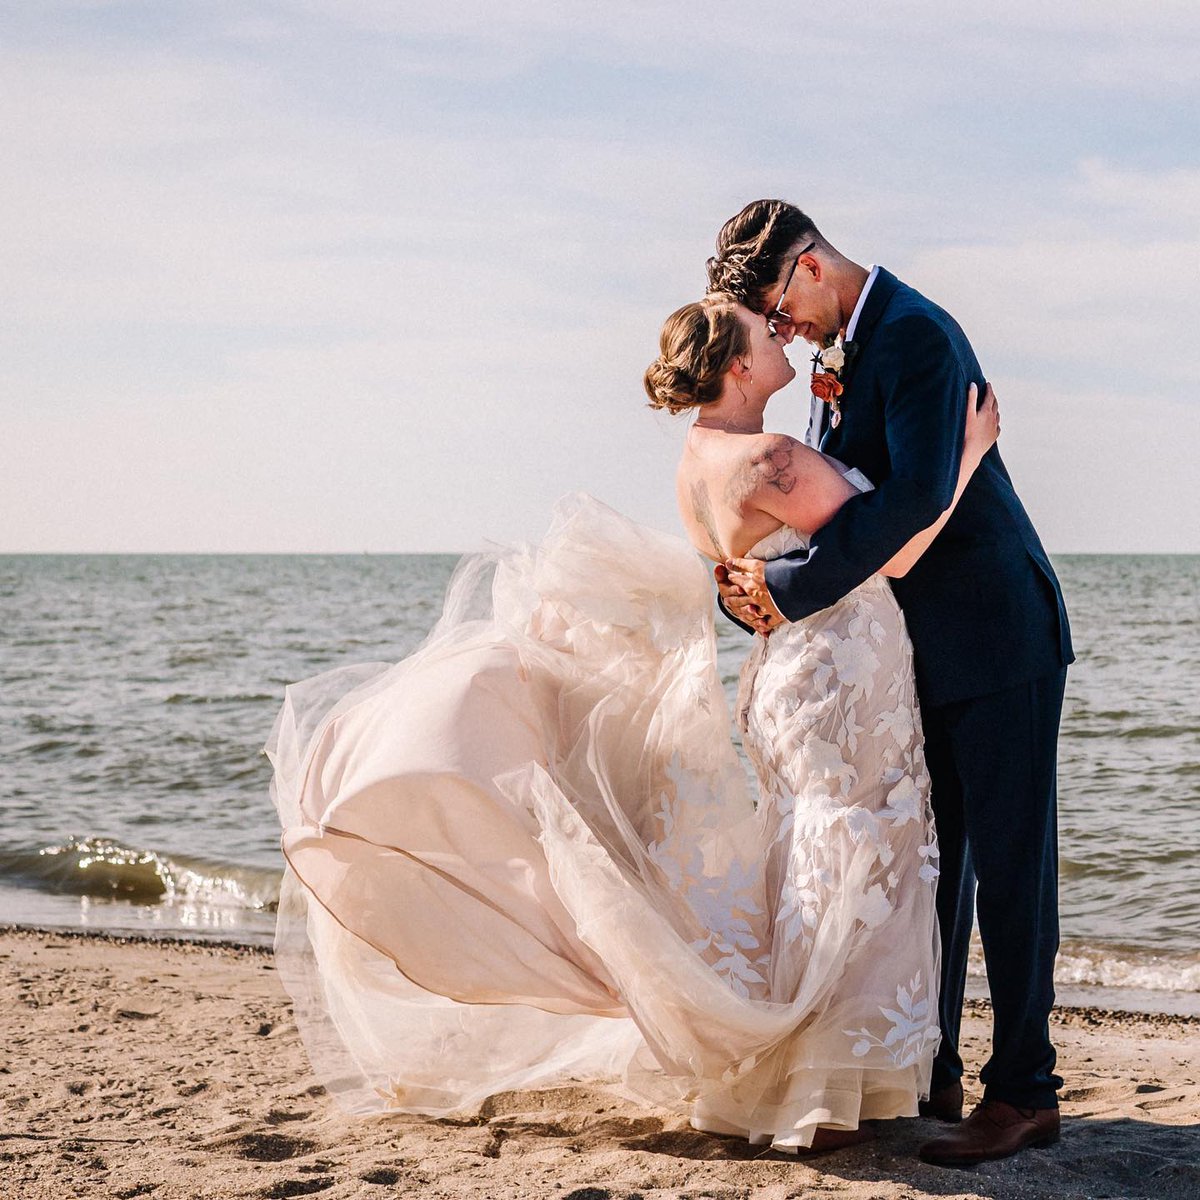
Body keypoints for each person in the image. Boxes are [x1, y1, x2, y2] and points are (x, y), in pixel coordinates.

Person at [265, 285, 995, 1155]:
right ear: (737, 365)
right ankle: (823, 1083)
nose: (780, 334)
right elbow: (901, 546)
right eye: (766, 331)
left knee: (815, 859)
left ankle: (822, 1081)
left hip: (779, 680)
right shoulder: (771, 460)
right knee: (861, 853)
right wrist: (966, 456)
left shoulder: (696, 467)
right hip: (837, 677)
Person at [707, 199, 1074, 1167]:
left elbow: (914, 498)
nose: (785, 334)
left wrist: (782, 592)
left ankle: (1026, 1091)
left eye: (782, 313)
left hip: (1000, 634)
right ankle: (932, 1067)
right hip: (921, 651)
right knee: (937, 869)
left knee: (1012, 867)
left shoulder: (915, 335)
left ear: (812, 267)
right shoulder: (843, 358)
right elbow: (836, 509)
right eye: (772, 328)